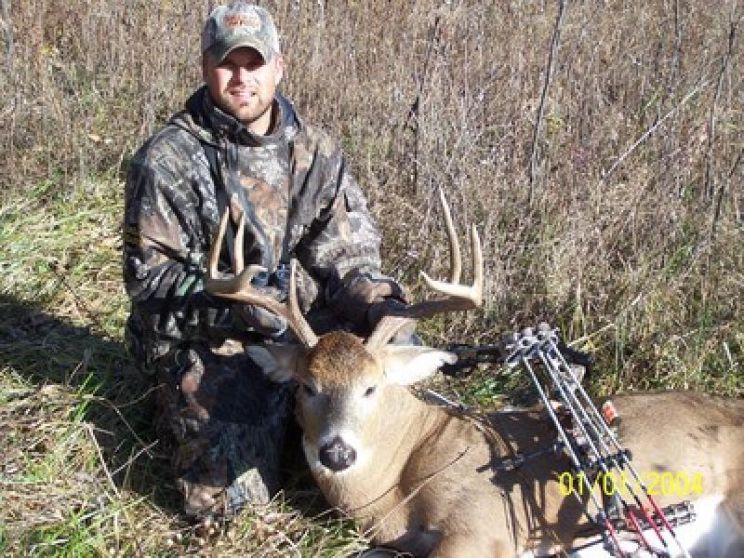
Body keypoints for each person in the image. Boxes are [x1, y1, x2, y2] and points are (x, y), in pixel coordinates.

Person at [122, 1, 409, 519]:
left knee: (389, 379)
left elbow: (345, 252)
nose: (241, 78)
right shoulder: (166, 160)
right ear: (205, 67)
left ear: (278, 66)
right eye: (227, 63)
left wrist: (377, 302)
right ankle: (187, 413)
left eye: (254, 63)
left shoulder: (316, 152)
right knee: (229, 501)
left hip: (299, 330)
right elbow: (149, 284)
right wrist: (234, 305)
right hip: (213, 340)